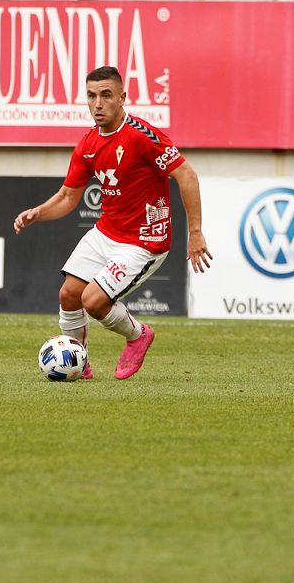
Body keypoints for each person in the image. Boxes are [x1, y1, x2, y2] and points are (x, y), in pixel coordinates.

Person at [14, 66, 212, 380]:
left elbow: (185, 174)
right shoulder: (88, 144)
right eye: (92, 96)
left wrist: (196, 232)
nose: (98, 103)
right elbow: (68, 196)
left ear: (122, 97)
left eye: (106, 95)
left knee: (92, 300)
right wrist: (39, 212)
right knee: (68, 294)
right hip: (107, 232)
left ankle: (137, 336)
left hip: (144, 241)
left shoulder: (141, 136)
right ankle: (79, 364)